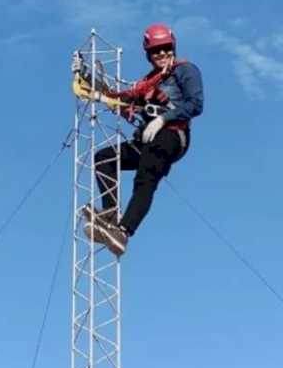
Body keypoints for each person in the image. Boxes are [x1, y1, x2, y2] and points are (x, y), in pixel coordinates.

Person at [82, 23, 204, 256]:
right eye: (156, 50)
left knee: (145, 176)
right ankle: (110, 214)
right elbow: (122, 100)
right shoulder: (148, 82)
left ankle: (123, 232)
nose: (161, 54)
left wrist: (164, 119)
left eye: (166, 48)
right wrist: (89, 81)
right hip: (147, 139)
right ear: (148, 54)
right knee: (105, 159)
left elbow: (195, 104)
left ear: (173, 47)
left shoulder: (185, 70)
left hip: (171, 135)